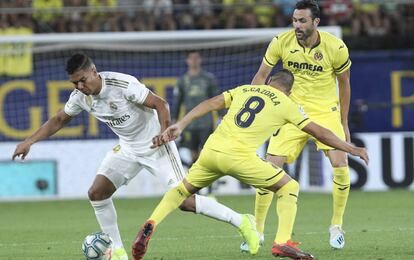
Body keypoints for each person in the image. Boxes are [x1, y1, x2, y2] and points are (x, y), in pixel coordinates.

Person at [12, 53, 260, 260]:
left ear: (94, 72)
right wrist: (29, 141)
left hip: (157, 146)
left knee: (184, 202)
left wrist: (164, 132)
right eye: (74, 83)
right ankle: (118, 252)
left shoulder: (122, 84)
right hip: (128, 149)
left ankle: (242, 222)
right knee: (97, 193)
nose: (79, 87)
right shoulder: (80, 98)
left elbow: (161, 104)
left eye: (82, 80)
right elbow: (58, 119)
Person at [132, 69, 369, 260]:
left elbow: (211, 103)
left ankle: (150, 223)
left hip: (210, 153)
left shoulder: (246, 89)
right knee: (288, 187)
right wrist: (351, 148)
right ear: (289, 91)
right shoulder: (287, 104)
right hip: (240, 158)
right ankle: (282, 242)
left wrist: (180, 124)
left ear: (268, 81)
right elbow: (319, 131)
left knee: (181, 191)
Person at [242, 0, 354, 251]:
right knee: (269, 168)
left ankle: (336, 225)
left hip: (325, 112)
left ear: (316, 22)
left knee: (340, 163)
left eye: (302, 21)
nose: (297, 26)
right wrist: (256, 106)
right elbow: (261, 76)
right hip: (290, 112)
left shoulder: (335, 47)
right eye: (294, 20)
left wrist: (343, 122)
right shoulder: (280, 42)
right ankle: (257, 230)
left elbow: (344, 84)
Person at [173, 51, 219, 194]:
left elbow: (217, 99)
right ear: (187, 61)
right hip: (190, 125)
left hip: (206, 123)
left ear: (200, 60)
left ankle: (210, 188)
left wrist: (221, 117)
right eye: (191, 58)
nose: (194, 60)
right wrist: (174, 120)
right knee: (193, 155)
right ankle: (196, 188)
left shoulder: (208, 79)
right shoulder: (183, 81)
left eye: (196, 58)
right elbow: (177, 102)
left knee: (206, 155)